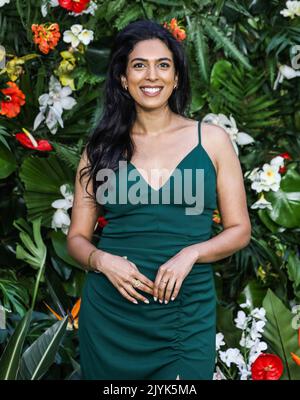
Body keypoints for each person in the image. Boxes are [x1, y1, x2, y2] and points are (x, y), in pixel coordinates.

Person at [67, 19, 251, 380]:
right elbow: (76, 238)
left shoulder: (211, 140)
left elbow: (240, 229)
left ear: (177, 77)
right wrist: (103, 260)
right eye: (139, 65)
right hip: (111, 317)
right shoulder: (99, 149)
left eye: (163, 65)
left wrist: (192, 253)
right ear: (123, 78)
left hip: (184, 312)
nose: (152, 76)